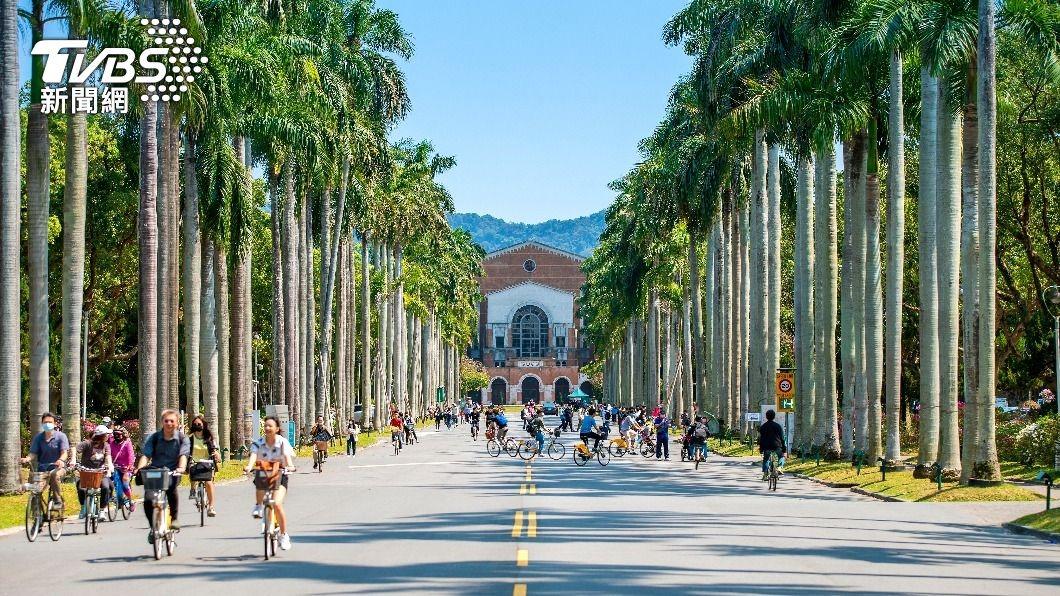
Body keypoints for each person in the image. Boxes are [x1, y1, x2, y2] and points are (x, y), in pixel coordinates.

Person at [134, 409, 190, 541]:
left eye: (172, 421)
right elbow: (146, 455)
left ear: (177, 423)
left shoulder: (182, 439)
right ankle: (153, 528)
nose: (169, 423)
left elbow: (183, 455)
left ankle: (174, 518)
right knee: (148, 499)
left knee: (171, 489)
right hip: (155, 472)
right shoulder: (154, 438)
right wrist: (140, 468)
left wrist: (181, 468)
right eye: (166, 421)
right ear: (162, 422)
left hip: (173, 472)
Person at [244, 416, 295, 550]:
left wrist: (290, 466)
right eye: (265, 426)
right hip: (264, 473)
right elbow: (254, 455)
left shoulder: (282, 442)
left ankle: (284, 535)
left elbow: (286, 457)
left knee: (277, 504)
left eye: (270, 426)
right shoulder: (258, 442)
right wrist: (249, 466)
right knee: (259, 477)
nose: (267, 428)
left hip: (280, 475)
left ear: (277, 429)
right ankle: (258, 506)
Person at [21, 412, 71, 511]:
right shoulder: (38, 438)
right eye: (45, 422)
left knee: (54, 475)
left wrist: (61, 460)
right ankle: (37, 517)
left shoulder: (61, 436)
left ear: (55, 424)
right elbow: (33, 453)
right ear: (42, 423)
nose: (47, 424)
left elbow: (64, 453)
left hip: (58, 468)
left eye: (50, 422)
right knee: (36, 491)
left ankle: (58, 501)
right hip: (42, 470)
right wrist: (27, 459)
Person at [75, 425, 114, 518]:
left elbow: (108, 456)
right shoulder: (87, 444)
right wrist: (73, 460)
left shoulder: (106, 445)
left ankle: (102, 510)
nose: (108, 436)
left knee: (105, 487)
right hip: (86, 472)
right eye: (106, 435)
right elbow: (75, 449)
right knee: (81, 489)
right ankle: (83, 506)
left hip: (100, 473)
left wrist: (109, 465)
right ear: (102, 436)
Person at [188, 414, 221, 517]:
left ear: (204, 425)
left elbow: (214, 450)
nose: (197, 425)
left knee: (209, 483)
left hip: (207, 463)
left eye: (199, 424)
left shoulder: (209, 438)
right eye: (195, 424)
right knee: (192, 471)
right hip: (194, 462)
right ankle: (193, 489)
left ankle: (211, 507)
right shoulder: (190, 438)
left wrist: (216, 455)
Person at [111, 426, 136, 512]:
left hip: (126, 468)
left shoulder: (127, 443)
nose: (116, 436)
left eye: (118, 434)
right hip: (115, 467)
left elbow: (131, 457)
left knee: (125, 485)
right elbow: (108, 455)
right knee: (108, 483)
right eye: (114, 434)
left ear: (123, 435)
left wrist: (127, 469)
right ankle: (115, 499)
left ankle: (130, 500)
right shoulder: (112, 444)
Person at [758, 409, 787, 480]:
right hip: (777, 445)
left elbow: (761, 439)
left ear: (766, 417)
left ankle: (765, 474)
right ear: (774, 417)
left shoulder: (763, 427)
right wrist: (784, 449)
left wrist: (761, 449)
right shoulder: (778, 426)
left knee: (766, 459)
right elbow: (782, 438)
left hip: (766, 446)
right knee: (781, 456)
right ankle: (779, 468)